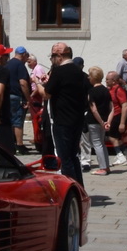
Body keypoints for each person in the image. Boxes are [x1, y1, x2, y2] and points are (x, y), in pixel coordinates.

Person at [45, 43, 91, 184]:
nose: (52, 59)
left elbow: (47, 94)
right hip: (77, 119)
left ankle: (71, 189)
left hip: (62, 120)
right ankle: (79, 187)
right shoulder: (80, 72)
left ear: (60, 56)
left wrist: (38, 83)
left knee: (65, 158)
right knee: (73, 156)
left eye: (53, 56)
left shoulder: (59, 71)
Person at [83, 66, 112, 174]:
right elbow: (112, 108)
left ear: (93, 78)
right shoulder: (106, 90)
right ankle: (106, 166)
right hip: (104, 120)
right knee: (102, 143)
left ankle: (103, 168)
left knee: (97, 144)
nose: (88, 78)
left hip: (94, 121)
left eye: (89, 76)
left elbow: (94, 109)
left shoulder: (91, 91)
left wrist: (101, 122)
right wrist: (107, 122)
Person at [106, 67, 127, 166]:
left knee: (112, 137)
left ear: (114, 81)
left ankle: (120, 155)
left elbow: (125, 106)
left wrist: (122, 123)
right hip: (116, 114)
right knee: (117, 138)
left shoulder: (119, 90)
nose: (106, 81)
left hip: (119, 115)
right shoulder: (112, 89)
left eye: (108, 79)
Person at [6, 46, 32, 150]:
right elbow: (23, 83)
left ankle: (12, 143)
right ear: (23, 55)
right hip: (17, 96)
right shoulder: (20, 65)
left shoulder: (8, 64)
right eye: (27, 56)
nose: (27, 59)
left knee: (11, 120)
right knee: (18, 121)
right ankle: (20, 145)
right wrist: (28, 99)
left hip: (8, 96)